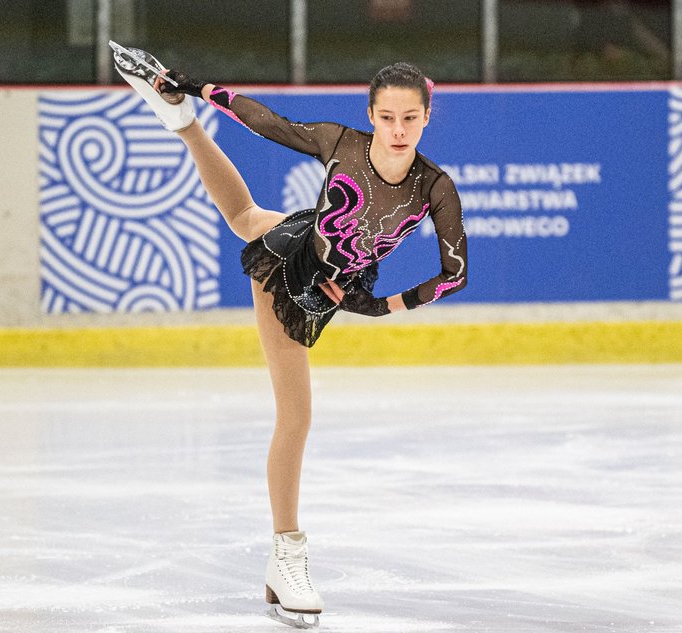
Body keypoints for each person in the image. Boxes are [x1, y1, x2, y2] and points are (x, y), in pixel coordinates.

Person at [112, 46, 467, 628]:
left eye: (410, 118)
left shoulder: (435, 187)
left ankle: (180, 124)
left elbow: (455, 275)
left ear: (427, 117)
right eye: (387, 117)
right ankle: (286, 556)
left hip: (338, 274)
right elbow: (269, 123)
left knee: (246, 218)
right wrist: (200, 86)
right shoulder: (341, 144)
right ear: (371, 115)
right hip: (291, 274)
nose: (398, 130)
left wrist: (381, 306)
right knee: (296, 418)